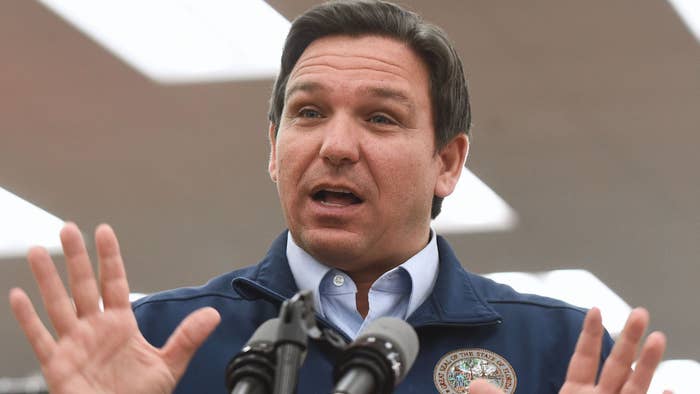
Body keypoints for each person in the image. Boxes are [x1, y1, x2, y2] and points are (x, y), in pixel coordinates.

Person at [9, 1, 667, 393]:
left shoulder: (556, 352)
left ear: (447, 162)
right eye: (309, 113)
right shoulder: (156, 344)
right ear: (274, 147)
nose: (336, 146)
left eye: (380, 118)